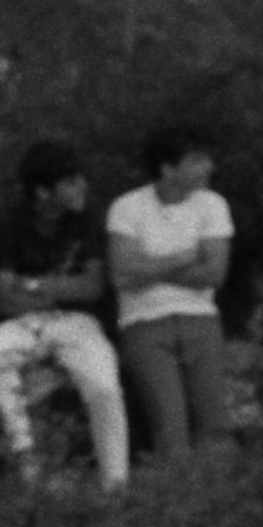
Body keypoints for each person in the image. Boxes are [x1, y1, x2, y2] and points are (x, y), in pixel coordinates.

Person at [0, 137, 131, 491]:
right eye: (70, 182)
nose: (82, 188)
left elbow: (92, 286)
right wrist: (60, 287)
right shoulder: (5, 219)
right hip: (20, 322)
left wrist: (31, 285)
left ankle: (116, 486)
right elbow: (2, 299)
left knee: (103, 384)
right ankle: (27, 465)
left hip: (76, 321)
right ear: (42, 192)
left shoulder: (88, 214)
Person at [103, 115, 239, 464]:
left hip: (200, 319)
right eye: (196, 160)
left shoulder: (213, 205)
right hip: (144, 324)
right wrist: (181, 259)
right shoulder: (127, 208)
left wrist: (149, 268)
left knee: (215, 426)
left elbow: (214, 273)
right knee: (168, 427)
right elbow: (120, 274)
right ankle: (178, 508)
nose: (208, 167)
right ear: (167, 168)